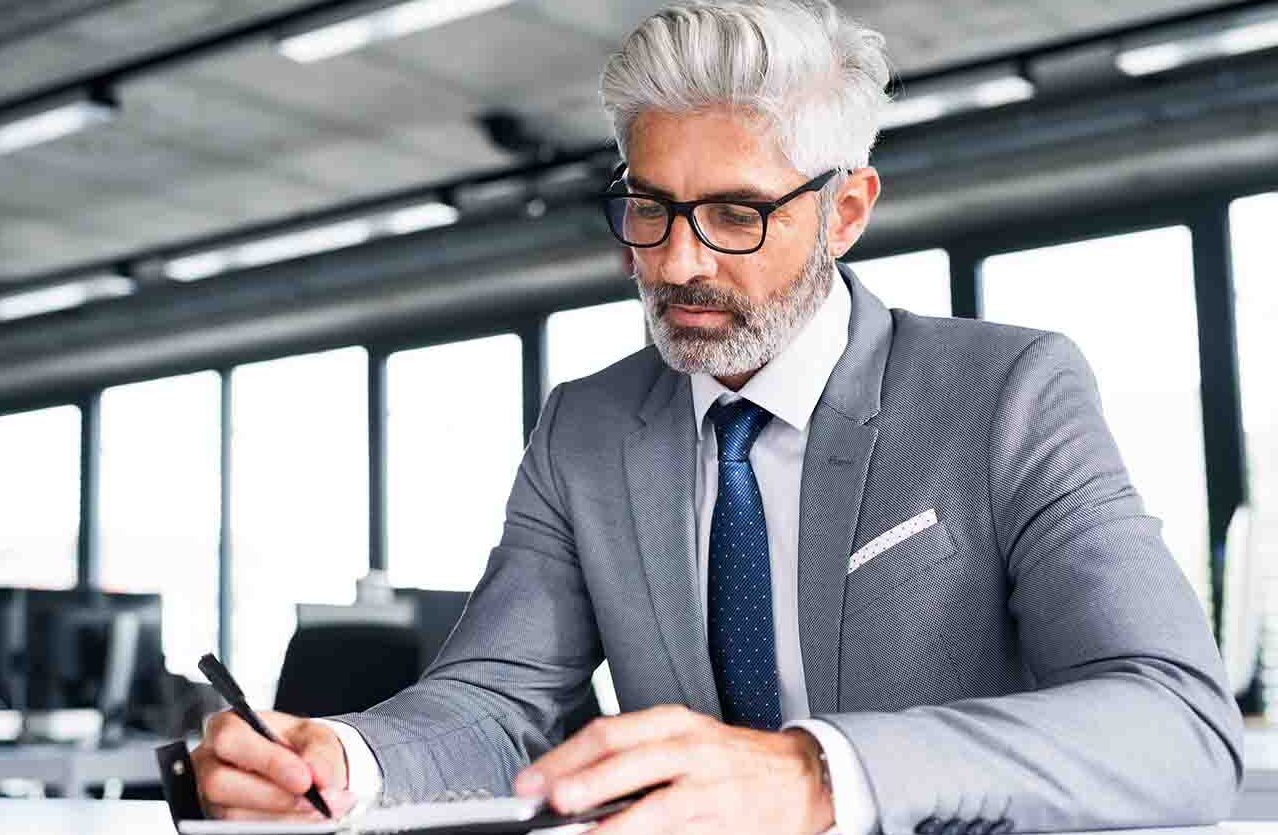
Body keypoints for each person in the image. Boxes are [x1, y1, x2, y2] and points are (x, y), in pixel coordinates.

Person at [191, 1, 1244, 833]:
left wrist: (816, 774)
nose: (677, 261)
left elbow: (1177, 723)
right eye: (648, 206)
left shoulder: (1008, 392)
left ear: (846, 211)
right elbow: (499, 702)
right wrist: (346, 760)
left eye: (737, 213)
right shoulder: (586, 430)